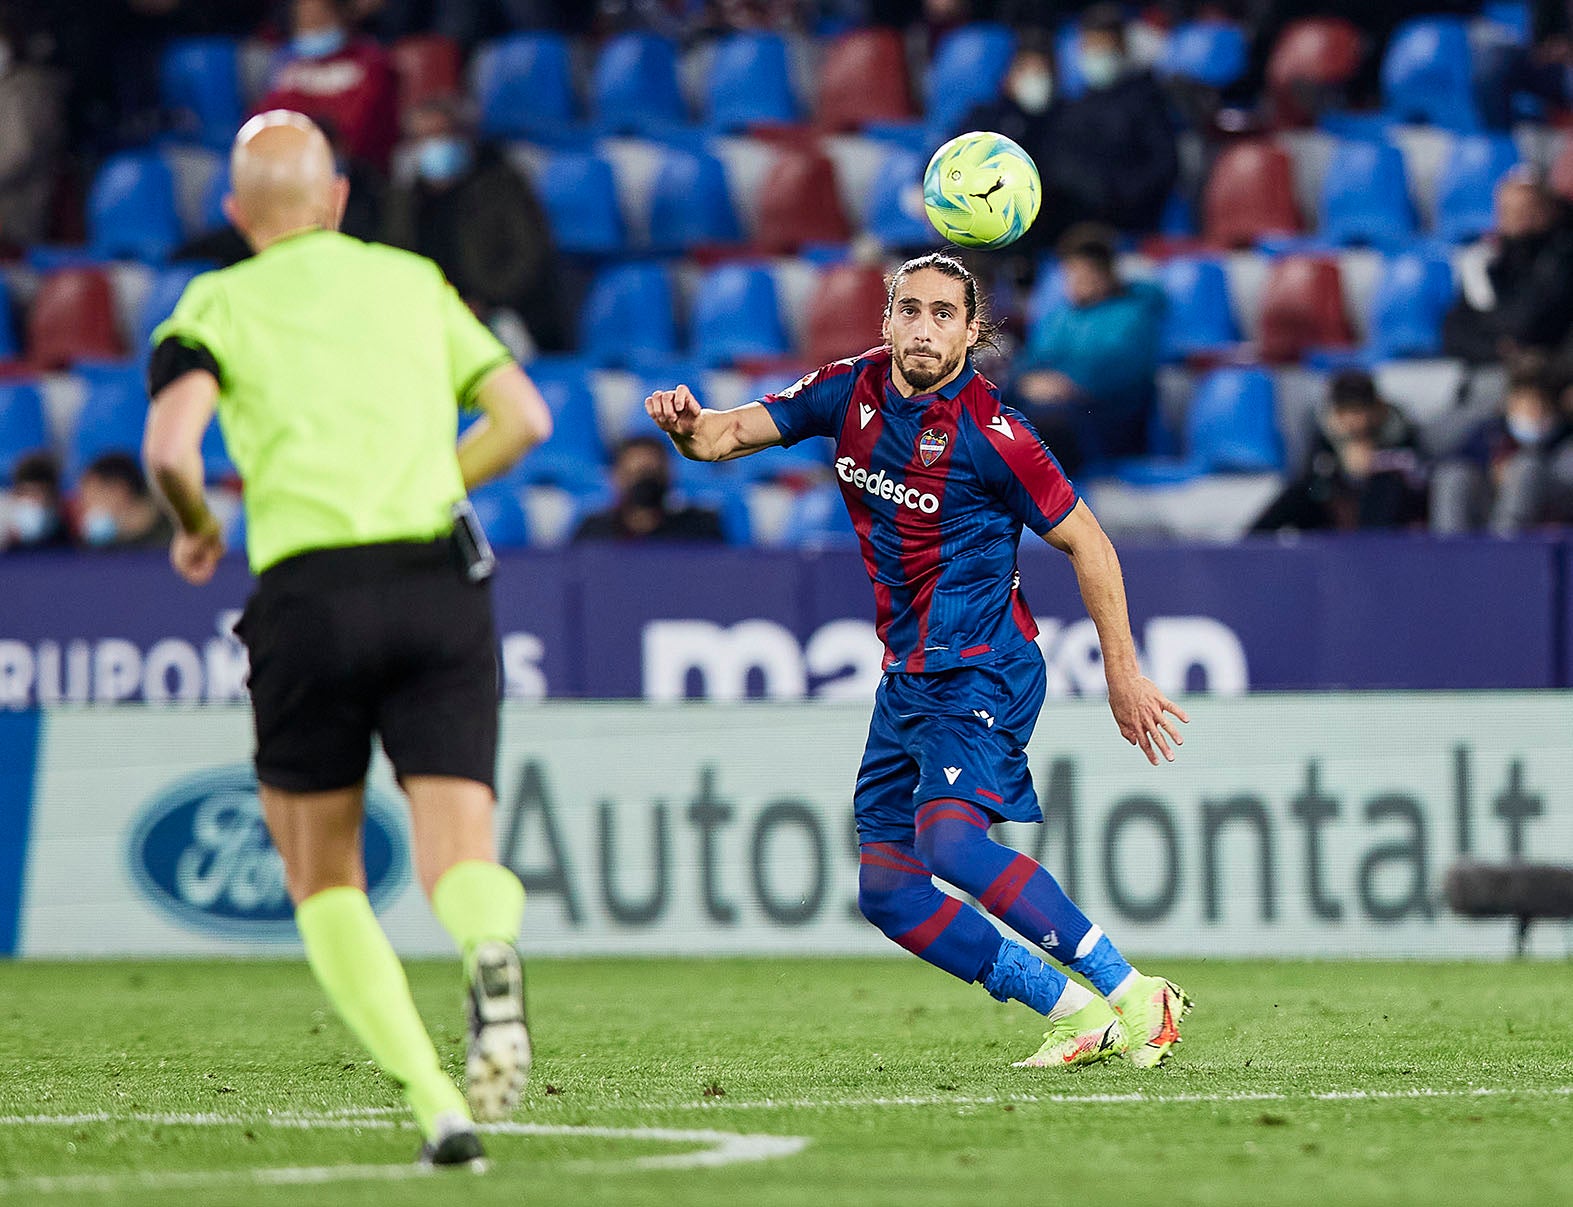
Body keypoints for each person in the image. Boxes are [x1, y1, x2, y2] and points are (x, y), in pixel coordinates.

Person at [643, 251, 1191, 1070]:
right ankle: (1080, 1012)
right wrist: (686, 426)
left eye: (944, 313)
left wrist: (1122, 672)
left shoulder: (992, 433)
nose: (924, 327)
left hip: (983, 665)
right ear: (886, 319)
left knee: (952, 847)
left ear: (973, 332)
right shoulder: (848, 388)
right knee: (889, 891)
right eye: (910, 309)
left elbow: (1088, 540)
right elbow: (722, 436)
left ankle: (1133, 990)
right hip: (907, 679)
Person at [141, 110, 552, 1168]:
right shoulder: (413, 280)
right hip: (435, 574)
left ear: (236, 215)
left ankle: (437, 1106)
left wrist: (196, 529)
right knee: (459, 849)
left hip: (309, 595)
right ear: (334, 201)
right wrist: (427, 483)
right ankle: (488, 945)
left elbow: (172, 452)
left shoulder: (214, 301)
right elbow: (524, 418)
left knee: (321, 872)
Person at [383, 96, 567, 354]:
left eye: (440, 134)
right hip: (430, 316)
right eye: (421, 138)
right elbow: (396, 256)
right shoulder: (406, 199)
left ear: (463, 137)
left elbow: (528, 255)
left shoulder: (501, 185)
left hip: (501, 313)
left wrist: (485, 302)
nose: (431, 146)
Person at [1013, 224, 1164, 475]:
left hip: (1106, 421)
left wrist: (1070, 386)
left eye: (1085, 274)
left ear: (1106, 273)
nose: (1076, 282)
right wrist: (1025, 382)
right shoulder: (1060, 318)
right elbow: (1030, 360)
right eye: (1071, 274)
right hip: (1049, 408)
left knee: (1041, 429)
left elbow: (1124, 371)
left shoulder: (1133, 316)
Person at [1034, 5, 1177, 237]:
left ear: (1121, 47)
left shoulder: (1146, 101)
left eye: (1104, 47)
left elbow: (1163, 164)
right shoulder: (1072, 107)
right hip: (1072, 228)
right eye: (1092, 47)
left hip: (1131, 228)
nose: (1097, 54)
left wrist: (1114, 194)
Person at [1251, 369, 1428, 534]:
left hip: (1389, 526)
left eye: (1359, 411)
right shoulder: (1321, 434)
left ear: (1376, 408)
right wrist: (1341, 461)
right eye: (1345, 412)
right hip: (1335, 519)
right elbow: (1309, 483)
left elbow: (1418, 482)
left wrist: (1373, 464)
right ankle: (1246, 549)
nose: (1353, 421)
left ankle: (1371, 550)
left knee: (1385, 485)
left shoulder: (1401, 431)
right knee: (1297, 494)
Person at [1430, 355, 1573, 534]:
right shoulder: (1491, 432)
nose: (1535, 412)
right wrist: (1492, 470)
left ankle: (1505, 547)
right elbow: (1448, 461)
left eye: (1543, 405)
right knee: (1454, 474)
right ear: (1510, 403)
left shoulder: (1566, 438)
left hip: (1546, 513)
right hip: (1487, 507)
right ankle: (1448, 549)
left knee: (1526, 467)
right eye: (1526, 405)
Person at [1443, 169, 1573, 364]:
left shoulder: (1562, 255)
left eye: (1527, 210)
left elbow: (1529, 322)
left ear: (1548, 210)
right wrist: (1498, 350)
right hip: (1499, 365)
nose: (1517, 219)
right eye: (1507, 211)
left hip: (1553, 369)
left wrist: (1489, 324)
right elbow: (1454, 332)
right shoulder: (1490, 260)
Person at [256, 0, 399, 172]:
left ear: (341, 15)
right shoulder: (284, 63)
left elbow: (369, 122)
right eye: (302, 19)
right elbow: (265, 115)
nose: (309, 24)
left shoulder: (370, 61)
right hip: (286, 158)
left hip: (349, 163)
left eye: (318, 17)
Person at [572, 435, 725, 544]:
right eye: (635, 473)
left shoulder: (698, 530)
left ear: (668, 475)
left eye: (653, 473)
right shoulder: (594, 534)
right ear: (616, 477)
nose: (644, 482)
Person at [76, 451, 176, 550]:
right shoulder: (110, 546)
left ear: (119, 491)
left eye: (91, 498)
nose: (85, 508)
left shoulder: (177, 535)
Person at [2, 450, 70, 552]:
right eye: (28, 493)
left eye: (41, 494)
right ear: (15, 495)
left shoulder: (70, 530)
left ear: (55, 498)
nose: (34, 502)